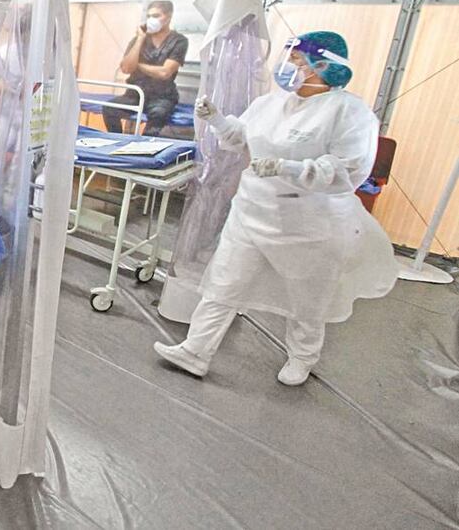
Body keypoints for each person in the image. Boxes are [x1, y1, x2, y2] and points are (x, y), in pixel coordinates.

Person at [154, 31, 397, 385]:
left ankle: (302, 358)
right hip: (253, 210)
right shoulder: (271, 103)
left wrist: (289, 168)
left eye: (296, 60)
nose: (287, 67)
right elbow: (243, 137)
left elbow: (348, 170)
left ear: (323, 66)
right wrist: (219, 120)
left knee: (307, 297)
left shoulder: (349, 113)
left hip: (308, 222)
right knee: (224, 283)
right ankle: (195, 351)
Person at [103, 0, 189, 136]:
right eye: (149, 16)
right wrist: (140, 39)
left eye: (156, 16)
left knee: (158, 115)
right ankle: (117, 140)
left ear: (168, 17)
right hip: (135, 94)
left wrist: (138, 65)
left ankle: (141, 149)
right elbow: (126, 68)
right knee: (109, 109)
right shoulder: (139, 39)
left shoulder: (179, 41)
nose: (151, 20)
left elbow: (165, 73)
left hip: (162, 96)